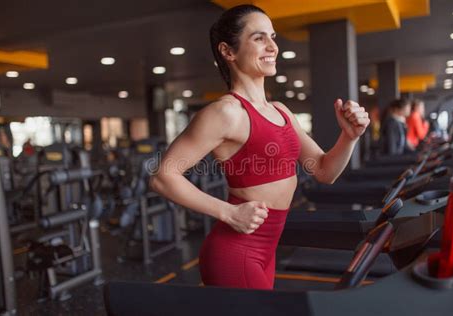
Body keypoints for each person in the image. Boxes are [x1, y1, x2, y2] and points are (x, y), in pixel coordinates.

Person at [149, 4, 370, 290]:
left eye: (273, 36)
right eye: (259, 38)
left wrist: (349, 137)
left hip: (267, 251)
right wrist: (228, 213)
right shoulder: (226, 113)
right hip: (235, 251)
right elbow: (162, 176)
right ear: (228, 52)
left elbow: (325, 171)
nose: (272, 46)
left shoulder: (281, 111)